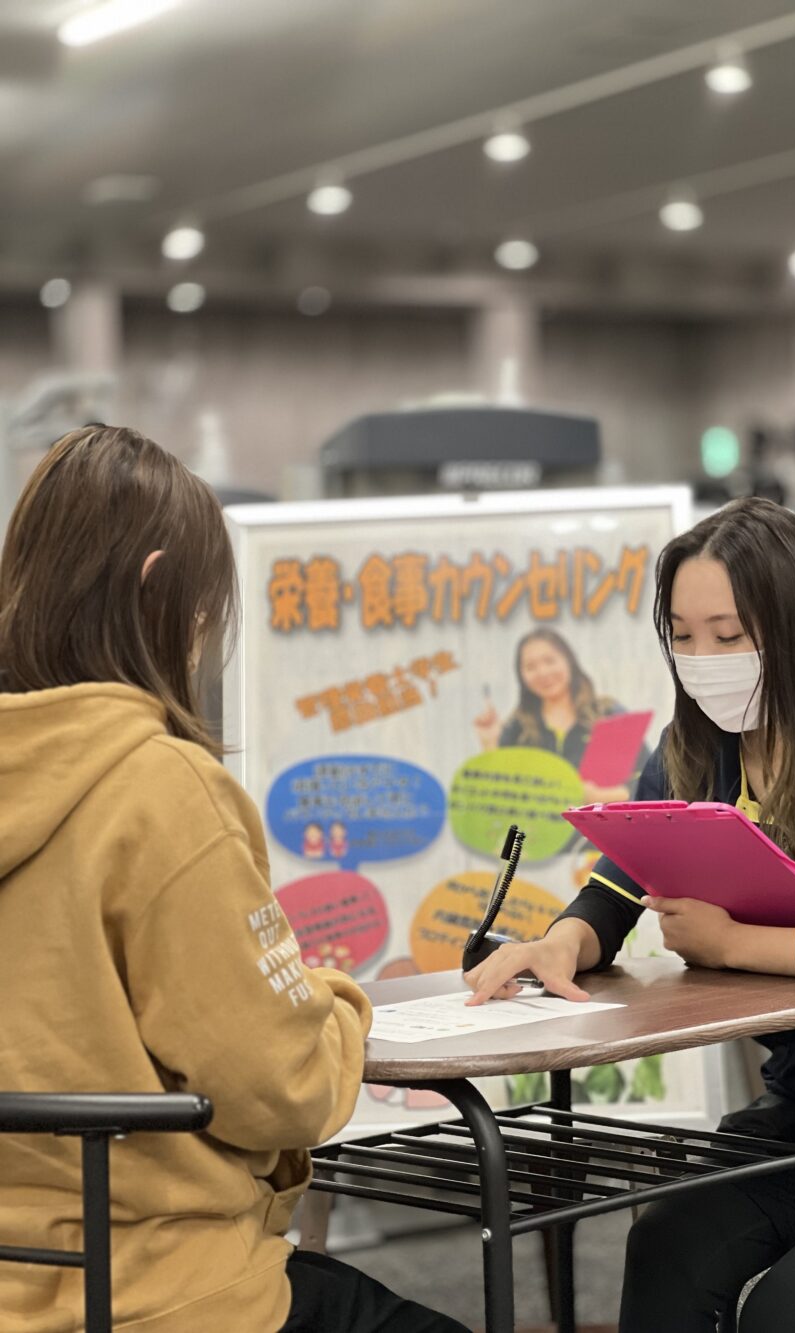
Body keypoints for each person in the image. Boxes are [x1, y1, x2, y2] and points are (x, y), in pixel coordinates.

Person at [464, 495, 795, 1333]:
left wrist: (732, 943)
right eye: (682, 633)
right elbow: (618, 885)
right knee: (668, 1244)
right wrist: (561, 941)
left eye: (730, 633)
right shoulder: (693, 750)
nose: (702, 657)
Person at [0, 426, 469, 1333]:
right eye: (206, 606)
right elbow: (280, 1085)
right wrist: (336, 1001)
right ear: (155, 587)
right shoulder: (162, 789)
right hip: (165, 1292)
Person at [472, 626, 648, 802]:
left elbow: (649, 780)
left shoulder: (608, 714)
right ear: (521, 675)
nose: (543, 672)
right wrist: (490, 743)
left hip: (599, 828)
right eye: (530, 667)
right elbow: (501, 795)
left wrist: (602, 797)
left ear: (569, 661)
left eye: (549, 661)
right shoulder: (517, 728)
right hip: (535, 830)